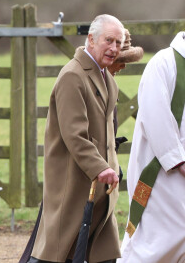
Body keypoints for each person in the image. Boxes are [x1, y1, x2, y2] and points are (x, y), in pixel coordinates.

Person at [118, 2, 185, 263]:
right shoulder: (163, 63)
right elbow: (154, 115)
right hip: (163, 169)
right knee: (160, 240)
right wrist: (180, 161)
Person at [28, 14, 125, 263]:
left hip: (101, 187)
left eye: (119, 43)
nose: (114, 48)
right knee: (60, 252)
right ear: (91, 39)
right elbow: (74, 135)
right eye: (109, 41)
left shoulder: (107, 78)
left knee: (103, 254)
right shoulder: (73, 76)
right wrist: (100, 167)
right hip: (73, 183)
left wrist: (111, 165)